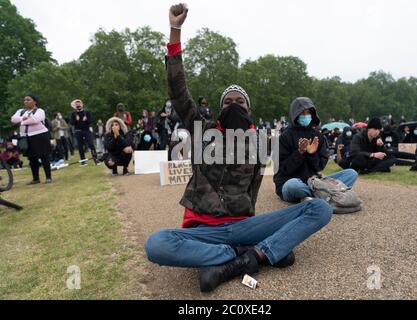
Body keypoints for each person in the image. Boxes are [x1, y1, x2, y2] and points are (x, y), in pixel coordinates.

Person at [145, 3, 333, 294]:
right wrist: (175, 30)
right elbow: (178, 91)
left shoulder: (259, 143)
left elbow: (253, 193)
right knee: (156, 244)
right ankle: (252, 254)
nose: (234, 106)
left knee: (319, 208)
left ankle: (250, 255)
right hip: (202, 230)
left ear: (250, 110)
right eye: (228, 103)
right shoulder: (203, 130)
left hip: (244, 226)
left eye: (240, 102)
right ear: (220, 111)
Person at [274, 98, 358, 203]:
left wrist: (312, 154)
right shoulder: (284, 137)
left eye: (308, 112)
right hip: (291, 181)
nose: (305, 115)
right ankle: (325, 194)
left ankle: (314, 195)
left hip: (314, 182)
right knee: (292, 185)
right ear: (295, 114)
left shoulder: (318, 136)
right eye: (302, 113)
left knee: (351, 173)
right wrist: (299, 152)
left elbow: (319, 167)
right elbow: (283, 170)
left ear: (313, 114)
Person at [11, 94, 52, 184]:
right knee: (32, 158)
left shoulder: (40, 111)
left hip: (40, 136)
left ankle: (48, 177)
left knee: (44, 156)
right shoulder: (21, 111)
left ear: (35, 102)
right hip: (26, 137)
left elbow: (34, 120)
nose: (26, 101)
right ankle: (36, 178)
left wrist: (21, 121)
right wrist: (23, 118)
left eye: (28, 100)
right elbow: (13, 119)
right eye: (25, 100)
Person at [70, 99, 99, 166]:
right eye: (76, 104)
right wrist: (76, 120)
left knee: (91, 145)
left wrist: (86, 119)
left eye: (79, 104)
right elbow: (71, 123)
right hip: (78, 132)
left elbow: (90, 121)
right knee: (80, 147)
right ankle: (83, 162)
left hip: (87, 131)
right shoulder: (73, 113)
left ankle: (96, 160)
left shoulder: (87, 112)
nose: (78, 105)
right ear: (75, 106)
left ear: (82, 104)